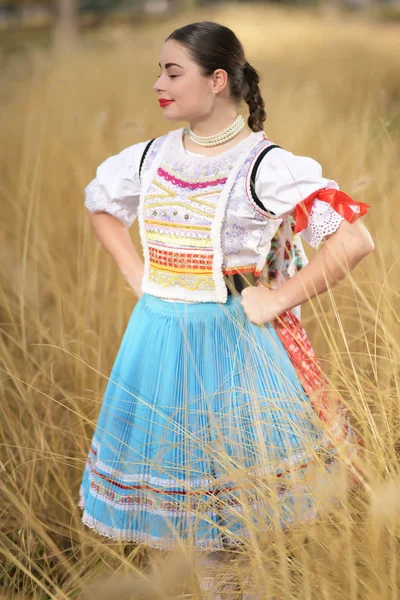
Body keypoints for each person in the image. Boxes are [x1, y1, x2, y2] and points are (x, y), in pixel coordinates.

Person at [79, 21, 374, 598]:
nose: (159, 85)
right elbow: (101, 205)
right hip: (157, 345)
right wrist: (137, 274)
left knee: (230, 520)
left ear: (217, 80)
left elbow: (353, 240)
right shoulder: (150, 157)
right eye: (158, 72)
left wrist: (278, 298)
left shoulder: (266, 167)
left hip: (230, 350)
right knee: (192, 520)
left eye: (172, 72)